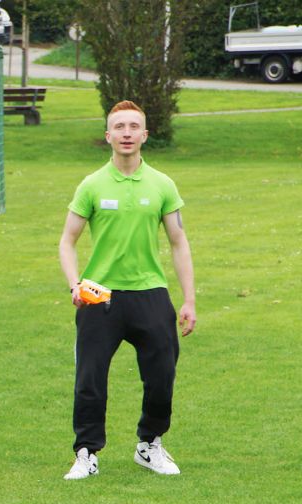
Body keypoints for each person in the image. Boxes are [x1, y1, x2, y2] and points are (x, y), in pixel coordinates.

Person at [60, 100, 196, 481]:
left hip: (150, 293)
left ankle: (148, 444)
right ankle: (86, 453)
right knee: (90, 379)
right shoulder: (91, 185)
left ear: (145, 136)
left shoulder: (162, 184)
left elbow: (178, 242)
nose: (126, 133)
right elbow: (67, 241)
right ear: (108, 135)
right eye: (119, 126)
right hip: (98, 294)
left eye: (134, 127)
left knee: (161, 377)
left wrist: (188, 299)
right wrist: (75, 284)